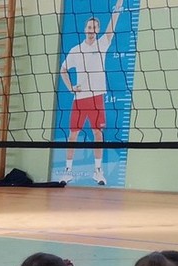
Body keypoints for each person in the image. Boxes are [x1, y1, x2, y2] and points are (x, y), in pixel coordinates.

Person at [59, 2, 125, 185]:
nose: (91, 30)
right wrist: (71, 87)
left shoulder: (102, 44)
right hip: (80, 99)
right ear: (84, 29)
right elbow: (63, 70)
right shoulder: (76, 50)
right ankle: (68, 171)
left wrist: (118, 7)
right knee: (73, 135)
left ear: (98, 30)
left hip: (97, 98)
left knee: (98, 133)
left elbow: (111, 27)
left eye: (94, 28)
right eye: (89, 27)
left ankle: (98, 171)